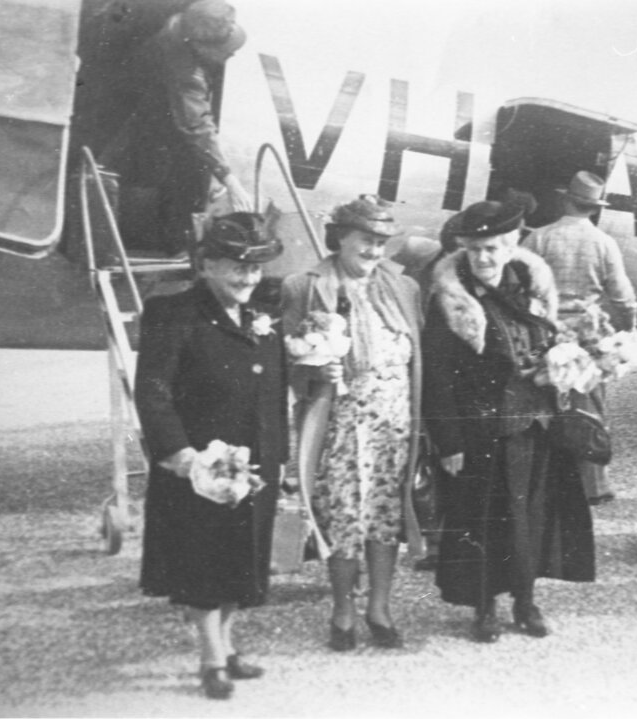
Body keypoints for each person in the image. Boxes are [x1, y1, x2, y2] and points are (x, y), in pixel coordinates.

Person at [423, 200, 595, 643]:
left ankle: (525, 599)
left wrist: (560, 367)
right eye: (476, 249)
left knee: (531, 518)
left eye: (493, 248)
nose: (484, 258)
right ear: (464, 248)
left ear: (512, 245)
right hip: (483, 431)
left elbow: (547, 341)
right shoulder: (451, 302)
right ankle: (484, 606)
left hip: (535, 426)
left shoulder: (531, 289)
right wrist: (449, 443)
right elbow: (437, 378)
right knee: (485, 520)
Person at [135, 212, 287, 699]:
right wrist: (179, 453)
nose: (249, 278)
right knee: (202, 563)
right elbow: (153, 391)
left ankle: (227, 645)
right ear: (206, 265)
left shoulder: (262, 315)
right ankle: (211, 657)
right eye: (236, 267)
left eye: (256, 268)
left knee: (239, 560)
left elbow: (272, 388)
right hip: (200, 464)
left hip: (254, 463)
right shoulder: (173, 312)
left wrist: (278, 456)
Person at [280, 195, 424, 651]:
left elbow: (418, 358)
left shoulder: (404, 288)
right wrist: (313, 372)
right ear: (340, 238)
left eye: (382, 242)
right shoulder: (304, 286)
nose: (374, 251)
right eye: (366, 240)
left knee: (386, 517)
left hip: (394, 424)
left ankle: (379, 607)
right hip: (341, 425)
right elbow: (288, 364)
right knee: (343, 517)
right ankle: (342, 610)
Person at [102, 0, 253, 256]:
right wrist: (229, 178)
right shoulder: (185, 73)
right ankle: (138, 244)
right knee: (145, 174)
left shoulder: (182, 24)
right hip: (144, 116)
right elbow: (197, 125)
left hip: (146, 105)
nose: (232, 54)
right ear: (199, 47)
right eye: (226, 51)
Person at [522, 171, 637, 504]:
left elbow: (520, 284)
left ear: (566, 200)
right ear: (593, 208)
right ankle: (594, 487)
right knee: (589, 408)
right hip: (589, 339)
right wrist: (626, 329)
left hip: (546, 335)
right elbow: (623, 297)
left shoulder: (539, 238)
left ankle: (546, 485)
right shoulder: (604, 243)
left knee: (544, 408)